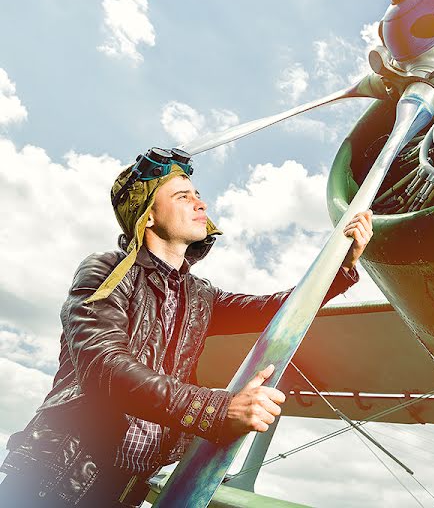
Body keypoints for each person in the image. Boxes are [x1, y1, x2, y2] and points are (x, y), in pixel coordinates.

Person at [0, 148, 374, 506]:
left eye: (198, 195)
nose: (201, 204)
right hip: (53, 480)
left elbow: (274, 310)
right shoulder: (106, 269)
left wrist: (341, 266)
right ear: (147, 215)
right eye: (183, 196)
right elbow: (105, 367)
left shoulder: (198, 295)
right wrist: (217, 409)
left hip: (122, 490)